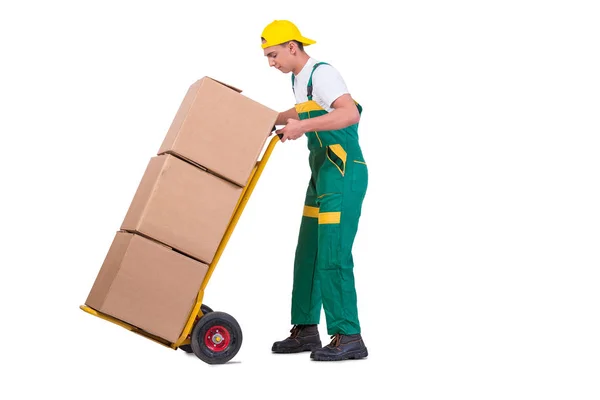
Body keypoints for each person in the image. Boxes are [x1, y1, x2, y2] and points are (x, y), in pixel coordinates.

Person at [261, 20, 369, 361]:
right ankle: (306, 328)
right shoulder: (299, 78)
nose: (270, 63)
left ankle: (348, 335)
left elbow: (349, 113)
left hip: (343, 172)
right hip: (321, 173)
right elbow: (306, 109)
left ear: (293, 47)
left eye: (274, 54)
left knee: (332, 253)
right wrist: (274, 119)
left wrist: (301, 127)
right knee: (308, 250)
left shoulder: (322, 73)